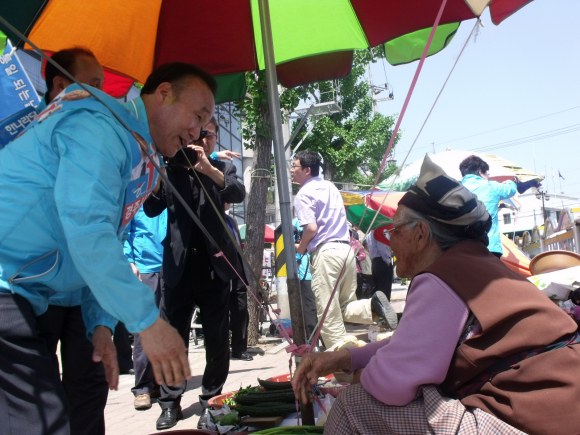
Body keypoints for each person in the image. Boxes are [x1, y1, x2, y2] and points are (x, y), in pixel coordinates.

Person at [0, 61, 216, 435]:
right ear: (164, 93)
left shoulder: (141, 154)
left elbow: (111, 236)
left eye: (205, 124)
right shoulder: (98, 126)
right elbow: (87, 227)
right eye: (197, 116)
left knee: (87, 400)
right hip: (10, 282)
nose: (197, 132)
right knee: (40, 418)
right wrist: (147, 321)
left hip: (46, 288)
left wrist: (100, 321)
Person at [292, 155, 580, 435]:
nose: (389, 240)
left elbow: (392, 383)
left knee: (353, 404)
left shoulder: (440, 278)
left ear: (421, 233)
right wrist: (341, 359)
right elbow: (408, 344)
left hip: (536, 419)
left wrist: (359, 377)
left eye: (395, 230)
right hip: (559, 404)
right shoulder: (475, 262)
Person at [144, 116, 246, 430]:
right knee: (174, 339)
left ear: (215, 139)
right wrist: (159, 179)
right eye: (196, 135)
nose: (202, 141)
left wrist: (208, 169)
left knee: (217, 339)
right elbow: (151, 208)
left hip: (214, 268)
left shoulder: (222, 168)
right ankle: (169, 403)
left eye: (208, 135)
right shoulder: (171, 168)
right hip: (179, 267)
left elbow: (237, 193)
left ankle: (211, 400)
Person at [291, 150, 397, 349]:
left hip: (325, 253)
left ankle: (342, 358)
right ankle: (372, 307)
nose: (291, 170)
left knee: (328, 314)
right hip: (346, 251)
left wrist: (301, 248)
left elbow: (311, 228)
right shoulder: (331, 187)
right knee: (345, 305)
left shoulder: (303, 193)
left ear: (307, 170)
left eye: (294, 166)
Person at [124, 207, 168, 409]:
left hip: (170, 267)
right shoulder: (137, 195)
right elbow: (124, 231)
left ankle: (158, 383)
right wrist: (129, 261)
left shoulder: (170, 194)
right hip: (144, 269)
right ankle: (142, 387)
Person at [459, 155, 539, 258]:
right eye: (487, 172)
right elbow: (511, 190)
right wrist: (512, 181)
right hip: (490, 246)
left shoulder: (457, 189)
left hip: (462, 249)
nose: (489, 174)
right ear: (480, 171)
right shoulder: (492, 186)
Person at [224, 203, 253, 362]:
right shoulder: (210, 217)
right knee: (220, 312)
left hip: (237, 269)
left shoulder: (232, 220)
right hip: (220, 269)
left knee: (241, 310)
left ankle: (239, 348)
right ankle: (220, 349)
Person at [292, 217, 318, 342]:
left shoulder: (320, 217)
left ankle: (323, 340)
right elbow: (290, 244)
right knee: (311, 309)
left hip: (321, 271)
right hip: (306, 275)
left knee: (324, 307)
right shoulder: (295, 223)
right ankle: (314, 341)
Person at [366, 229, 394, 300]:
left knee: (377, 288)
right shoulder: (379, 231)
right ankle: (384, 306)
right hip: (382, 261)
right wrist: (387, 261)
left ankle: (377, 306)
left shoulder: (369, 234)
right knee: (385, 289)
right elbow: (382, 247)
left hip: (375, 262)